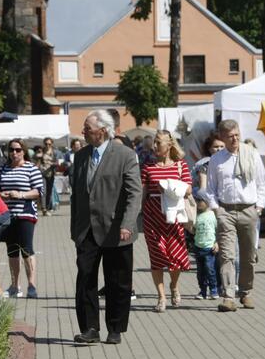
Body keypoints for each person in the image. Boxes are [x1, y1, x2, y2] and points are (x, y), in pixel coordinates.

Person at [70, 109, 141, 344]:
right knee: (85, 279)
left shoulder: (125, 155)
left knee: (117, 281)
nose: (83, 132)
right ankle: (90, 328)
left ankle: (115, 328)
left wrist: (128, 224)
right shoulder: (80, 156)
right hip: (86, 230)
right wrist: (74, 229)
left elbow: (134, 194)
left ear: (102, 131)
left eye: (87, 129)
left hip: (116, 229)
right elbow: (76, 196)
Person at [204, 119, 265, 312]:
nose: (235, 139)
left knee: (248, 255)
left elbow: (261, 183)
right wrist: (217, 209)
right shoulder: (216, 159)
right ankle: (228, 296)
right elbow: (210, 189)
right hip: (226, 210)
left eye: (237, 135)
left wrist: (259, 207)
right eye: (230, 136)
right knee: (227, 256)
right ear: (222, 137)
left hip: (249, 209)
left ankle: (246, 292)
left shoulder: (252, 154)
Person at [141, 130, 192, 313]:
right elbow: (143, 193)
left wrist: (170, 188)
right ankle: (161, 296)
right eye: (154, 142)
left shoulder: (181, 166)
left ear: (169, 145)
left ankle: (174, 285)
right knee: (156, 257)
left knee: (175, 257)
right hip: (152, 217)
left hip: (174, 219)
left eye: (158, 143)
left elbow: (188, 191)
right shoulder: (148, 167)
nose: (154, 146)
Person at [0, 138, 44, 299]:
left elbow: (38, 192)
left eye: (18, 150)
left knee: (27, 249)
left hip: (26, 214)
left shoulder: (31, 168)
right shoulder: (3, 169)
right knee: (12, 250)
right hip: (8, 214)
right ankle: (15, 286)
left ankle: (32, 285)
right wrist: (1, 195)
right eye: (11, 150)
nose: (14, 153)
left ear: (24, 151)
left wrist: (21, 194)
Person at [192, 196, 219, 300]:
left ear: (207, 202)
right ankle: (203, 291)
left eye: (200, 201)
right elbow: (193, 229)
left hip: (209, 248)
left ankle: (214, 290)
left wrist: (217, 242)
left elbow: (218, 230)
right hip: (198, 247)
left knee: (210, 269)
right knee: (200, 273)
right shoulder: (196, 215)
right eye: (197, 201)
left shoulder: (212, 215)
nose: (198, 203)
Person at [39, 137, 57, 216]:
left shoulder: (55, 152)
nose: (47, 145)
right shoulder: (41, 152)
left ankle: (47, 207)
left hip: (51, 174)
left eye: (49, 144)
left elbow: (57, 162)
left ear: (52, 144)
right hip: (42, 174)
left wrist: (52, 163)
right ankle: (44, 209)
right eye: (46, 144)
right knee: (44, 191)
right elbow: (35, 159)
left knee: (49, 192)